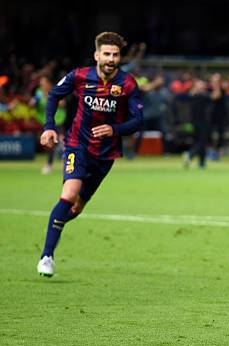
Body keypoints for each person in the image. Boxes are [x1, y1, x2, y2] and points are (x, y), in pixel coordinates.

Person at [37, 32, 143, 277]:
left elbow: (138, 121)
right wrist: (49, 126)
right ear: (97, 55)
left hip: (105, 155)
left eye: (115, 55)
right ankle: (47, 256)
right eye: (106, 54)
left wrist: (114, 129)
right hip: (77, 145)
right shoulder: (80, 76)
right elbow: (54, 95)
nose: (110, 59)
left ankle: (56, 223)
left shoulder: (128, 84)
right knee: (69, 193)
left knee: (76, 207)